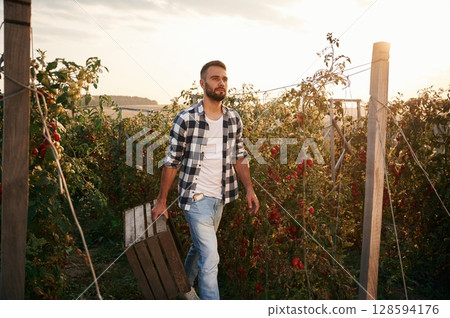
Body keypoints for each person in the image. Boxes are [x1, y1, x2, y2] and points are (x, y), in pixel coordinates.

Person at [151, 60, 259, 300]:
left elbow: (239, 156)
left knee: (200, 250)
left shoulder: (233, 119)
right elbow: (172, 162)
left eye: (224, 78)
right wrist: (162, 200)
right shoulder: (186, 119)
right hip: (195, 197)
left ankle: (181, 289)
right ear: (202, 83)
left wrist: (250, 190)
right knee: (211, 258)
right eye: (215, 78)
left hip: (220, 198)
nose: (221, 82)